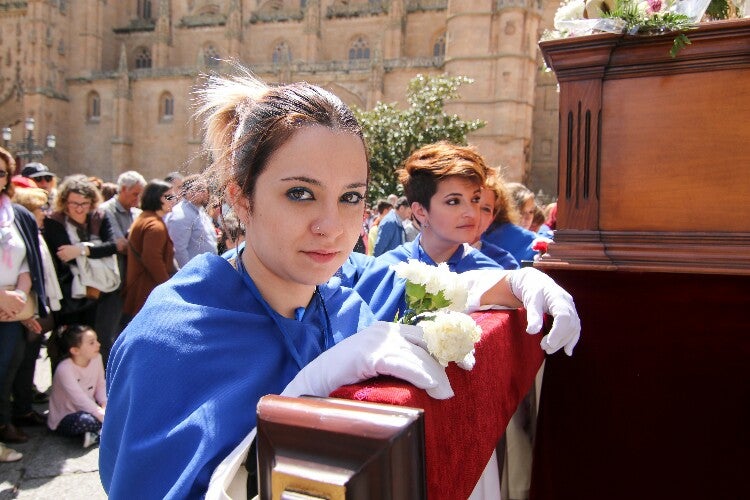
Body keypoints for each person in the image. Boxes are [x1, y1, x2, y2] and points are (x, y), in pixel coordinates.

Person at [101, 71, 579, 499]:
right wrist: (306, 392)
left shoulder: (342, 282)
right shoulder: (168, 340)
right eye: (300, 193)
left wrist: (515, 282)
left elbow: (426, 286)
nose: (331, 226)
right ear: (240, 198)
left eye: (351, 197)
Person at [42, 175, 121, 367]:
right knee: (67, 341)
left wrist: (81, 250)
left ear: (92, 202)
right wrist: (94, 249)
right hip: (68, 293)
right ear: (64, 202)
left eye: (84, 204)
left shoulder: (99, 217)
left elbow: (113, 245)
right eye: (74, 203)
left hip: (96, 291)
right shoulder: (54, 221)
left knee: (92, 340)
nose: (79, 208)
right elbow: (62, 253)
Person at [0, 148, 48, 451]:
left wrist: (18, 294)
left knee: (8, 368)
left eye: (2, 172)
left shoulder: (16, 213)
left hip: (13, 308)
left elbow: (28, 260)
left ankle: (4, 423)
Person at [9, 187, 63, 430]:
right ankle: (18, 411)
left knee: (27, 360)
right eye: (40, 208)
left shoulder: (38, 234)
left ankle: (24, 407)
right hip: (22, 311)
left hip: (33, 307)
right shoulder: (27, 235)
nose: (45, 212)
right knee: (19, 363)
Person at [99, 170, 146, 343]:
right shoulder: (106, 211)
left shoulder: (136, 213)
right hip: (114, 282)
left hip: (132, 282)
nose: (137, 199)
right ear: (123, 189)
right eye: (135, 194)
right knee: (111, 332)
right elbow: (120, 245)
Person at [122, 180, 176, 319]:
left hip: (142, 289)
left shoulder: (145, 217)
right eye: (169, 197)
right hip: (146, 290)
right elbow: (152, 259)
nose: (173, 200)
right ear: (157, 198)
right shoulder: (154, 225)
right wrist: (167, 287)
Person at [47, 324, 106, 449]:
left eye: (96, 340)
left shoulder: (97, 358)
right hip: (68, 415)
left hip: (90, 408)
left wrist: (105, 404)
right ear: (75, 350)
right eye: (91, 343)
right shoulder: (64, 369)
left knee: (117, 406)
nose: (98, 344)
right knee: (86, 421)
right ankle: (101, 432)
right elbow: (78, 399)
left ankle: (97, 433)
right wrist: (103, 415)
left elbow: (100, 385)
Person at [164, 174, 218, 268]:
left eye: (205, 189)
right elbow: (178, 250)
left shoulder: (200, 211)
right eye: (200, 189)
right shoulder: (181, 215)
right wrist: (188, 274)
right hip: (193, 275)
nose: (205, 192)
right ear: (188, 192)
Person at [471, 169, 520, 270]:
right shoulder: (432, 254)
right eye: (472, 203)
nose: (476, 214)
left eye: (485, 209)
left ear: (492, 219)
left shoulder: (502, 263)